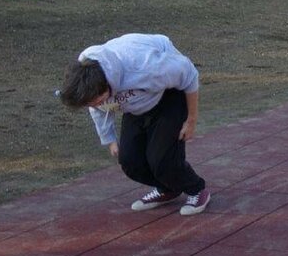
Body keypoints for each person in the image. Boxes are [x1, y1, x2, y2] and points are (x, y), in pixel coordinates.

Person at [59, 33, 211, 216]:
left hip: (168, 93)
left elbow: (189, 74)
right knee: (130, 161)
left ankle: (197, 189)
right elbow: (97, 108)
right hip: (136, 103)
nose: (96, 105)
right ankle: (168, 188)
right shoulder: (88, 78)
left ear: (106, 86)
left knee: (162, 160)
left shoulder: (147, 69)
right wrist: (110, 140)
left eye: (98, 100)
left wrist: (191, 119)